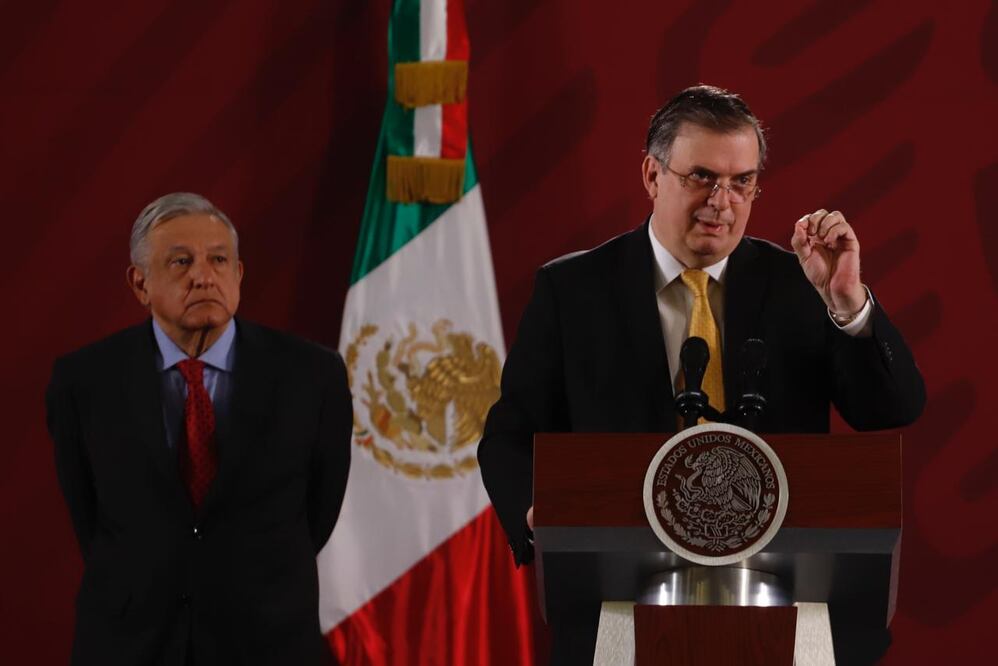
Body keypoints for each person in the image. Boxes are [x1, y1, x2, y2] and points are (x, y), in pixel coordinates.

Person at [478, 85, 926, 665]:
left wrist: (846, 302)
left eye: (743, 182)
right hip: (619, 617)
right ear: (651, 175)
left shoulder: (802, 286)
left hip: (791, 617)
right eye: (702, 177)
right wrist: (542, 516)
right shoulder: (573, 291)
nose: (723, 201)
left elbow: (891, 409)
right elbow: (509, 437)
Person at [45, 192, 353, 665]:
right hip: (129, 643)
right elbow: (90, 515)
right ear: (140, 283)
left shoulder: (313, 376)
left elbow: (319, 509)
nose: (203, 276)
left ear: (239, 275)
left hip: (269, 640)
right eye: (181, 261)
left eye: (218, 260)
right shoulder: (83, 381)